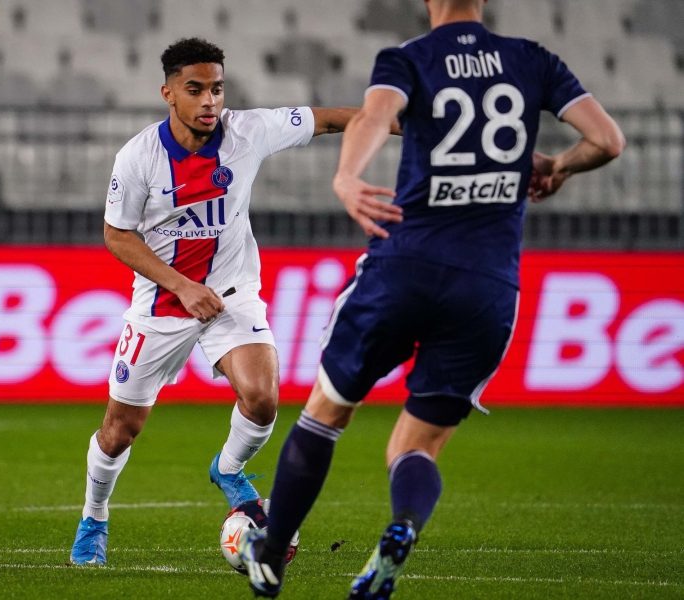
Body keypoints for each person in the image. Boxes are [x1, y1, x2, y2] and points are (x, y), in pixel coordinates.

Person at [239, 0, 625, 597]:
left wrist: (347, 176)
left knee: (328, 411)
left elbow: (374, 115)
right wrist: (559, 166)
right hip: (489, 286)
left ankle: (270, 553)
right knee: (417, 444)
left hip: (406, 266)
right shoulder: (532, 60)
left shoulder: (408, 58)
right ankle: (401, 527)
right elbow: (607, 140)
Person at [67, 37, 364, 566]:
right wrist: (181, 285)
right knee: (119, 432)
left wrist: (396, 120)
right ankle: (94, 516)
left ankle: (228, 469)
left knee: (262, 396)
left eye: (218, 89)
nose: (210, 101)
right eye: (196, 89)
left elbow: (330, 120)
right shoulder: (138, 158)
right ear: (169, 94)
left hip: (231, 295)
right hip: (161, 305)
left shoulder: (248, 132)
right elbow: (117, 235)